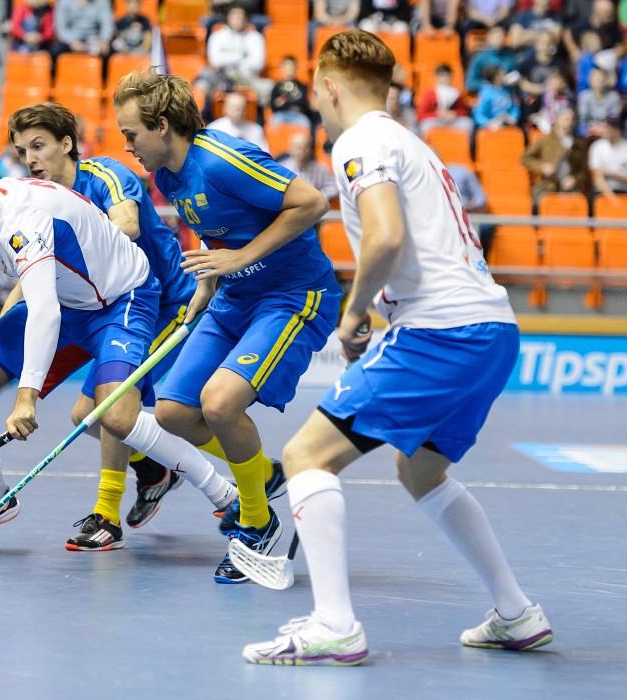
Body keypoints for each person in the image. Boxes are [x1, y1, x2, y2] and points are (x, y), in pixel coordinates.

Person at [240, 28, 552, 666]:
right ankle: (516, 612)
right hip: (492, 329)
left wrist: (354, 313)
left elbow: (384, 238)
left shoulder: (359, 142)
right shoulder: (412, 143)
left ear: (329, 87)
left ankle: (334, 626)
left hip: (441, 332)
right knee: (422, 470)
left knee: (305, 456)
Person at [0, 153, 218, 545]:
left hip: (121, 300)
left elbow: (43, 312)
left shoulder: (23, 221)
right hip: (69, 302)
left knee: (116, 415)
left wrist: (26, 398)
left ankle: (223, 493)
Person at [114, 68, 340, 583]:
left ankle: (257, 522)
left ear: (162, 126)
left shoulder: (222, 159)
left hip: (292, 295)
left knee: (219, 403)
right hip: (233, 297)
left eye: (132, 134)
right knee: (172, 412)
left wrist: (240, 258)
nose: (127, 146)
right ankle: (262, 474)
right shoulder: (167, 175)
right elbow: (217, 231)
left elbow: (311, 203)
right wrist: (208, 282)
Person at [8, 102, 236, 550]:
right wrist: (9, 312)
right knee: (85, 415)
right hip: (115, 309)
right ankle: (153, 469)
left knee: (108, 408)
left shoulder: (107, 175)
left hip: (167, 300)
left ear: (66, 144)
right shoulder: (38, 203)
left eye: (38, 146)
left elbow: (127, 225)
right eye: (22, 151)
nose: (30, 159)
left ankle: (109, 515)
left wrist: (87, 241)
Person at [194, 5, 269, 118]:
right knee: (201, 84)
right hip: (221, 77)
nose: (238, 19)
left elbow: (258, 63)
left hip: (247, 78)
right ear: (228, 18)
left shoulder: (255, 37)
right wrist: (241, 56)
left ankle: (260, 121)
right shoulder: (217, 36)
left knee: (269, 88)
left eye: (241, 16)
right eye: (234, 16)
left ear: (246, 19)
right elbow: (215, 61)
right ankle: (201, 118)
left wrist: (228, 59)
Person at [521, 106, 591, 202]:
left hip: (569, 187)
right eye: (566, 119)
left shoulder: (579, 144)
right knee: (543, 201)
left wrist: (574, 179)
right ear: (558, 120)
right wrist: (542, 167)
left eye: (572, 120)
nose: (569, 123)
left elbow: (584, 171)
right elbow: (525, 158)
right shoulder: (545, 140)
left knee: (577, 202)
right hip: (547, 185)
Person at [276, 133, 339, 202]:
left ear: (309, 149)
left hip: (314, 205)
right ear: (290, 149)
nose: (301, 151)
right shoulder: (282, 169)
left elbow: (334, 187)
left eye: (305, 147)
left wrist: (319, 197)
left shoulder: (320, 169)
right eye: (297, 147)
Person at [417, 64, 475, 137]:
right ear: (436, 78)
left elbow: (464, 112)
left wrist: (455, 114)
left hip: (453, 120)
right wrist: (437, 114)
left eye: (447, 76)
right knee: (425, 126)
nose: (444, 79)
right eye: (441, 76)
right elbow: (421, 115)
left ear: (451, 77)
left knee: (468, 123)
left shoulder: (456, 93)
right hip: (435, 121)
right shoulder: (430, 94)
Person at [267, 56, 313, 129]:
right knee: (272, 123)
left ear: (296, 68)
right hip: (280, 115)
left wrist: (283, 102)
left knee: (305, 122)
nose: (290, 69)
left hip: (298, 115)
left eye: (292, 66)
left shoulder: (302, 86)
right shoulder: (277, 87)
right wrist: (293, 104)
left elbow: (303, 103)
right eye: (287, 66)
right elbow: (273, 106)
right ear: (282, 68)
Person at [588, 116, 627, 199]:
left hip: (624, 192)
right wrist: (613, 199)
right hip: (602, 193)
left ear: (617, 130)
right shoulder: (597, 146)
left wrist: (611, 173)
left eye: (606, 127)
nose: (603, 130)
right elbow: (597, 176)